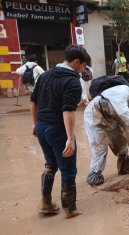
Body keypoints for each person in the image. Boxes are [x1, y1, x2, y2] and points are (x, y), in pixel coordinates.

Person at [30, 44, 91, 219]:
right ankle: (70, 209)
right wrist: (70, 139)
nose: (83, 70)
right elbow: (68, 110)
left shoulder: (44, 76)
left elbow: (33, 102)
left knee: (50, 165)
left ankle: (47, 204)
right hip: (58, 130)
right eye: (84, 66)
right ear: (76, 62)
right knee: (68, 169)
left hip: (41, 127)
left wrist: (35, 124)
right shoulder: (72, 81)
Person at [84, 77, 129, 186]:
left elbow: (123, 119)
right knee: (100, 147)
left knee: (121, 145)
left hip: (111, 119)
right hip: (95, 115)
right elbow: (124, 113)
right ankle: (94, 175)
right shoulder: (123, 91)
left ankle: (124, 169)